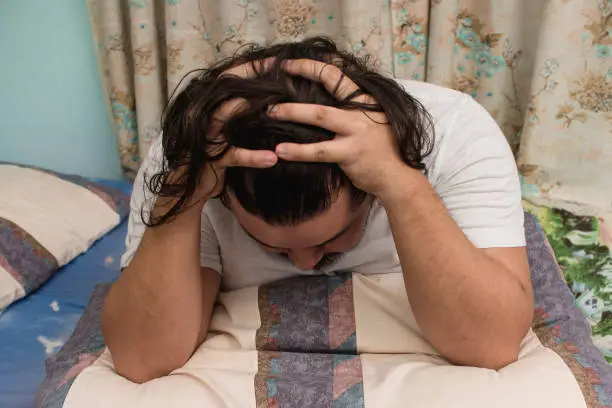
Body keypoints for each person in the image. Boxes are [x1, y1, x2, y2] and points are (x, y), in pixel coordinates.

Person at [101, 37, 534, 384]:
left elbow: (491, 346)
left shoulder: (453, 130)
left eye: (329, 239)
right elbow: (143, 360)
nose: (305, 263)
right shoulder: (192, 159)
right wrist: (182, 199)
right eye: (266, 244)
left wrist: (401, 183)